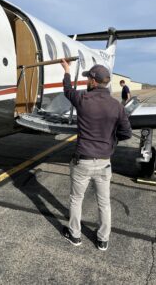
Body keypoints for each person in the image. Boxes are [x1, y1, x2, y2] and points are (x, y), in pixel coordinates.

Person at [61, 59, 132, 251]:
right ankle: (102, 240)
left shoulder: (83, 100)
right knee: (104, 203)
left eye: (87, 78)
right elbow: (126, 133)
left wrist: (67, 70)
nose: (86, 82)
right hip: (104, 163)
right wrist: (111, 142)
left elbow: (67, 90)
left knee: (76, 199)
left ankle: (75, 236)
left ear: (93, 81)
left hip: (82, 161)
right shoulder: (117, 106)